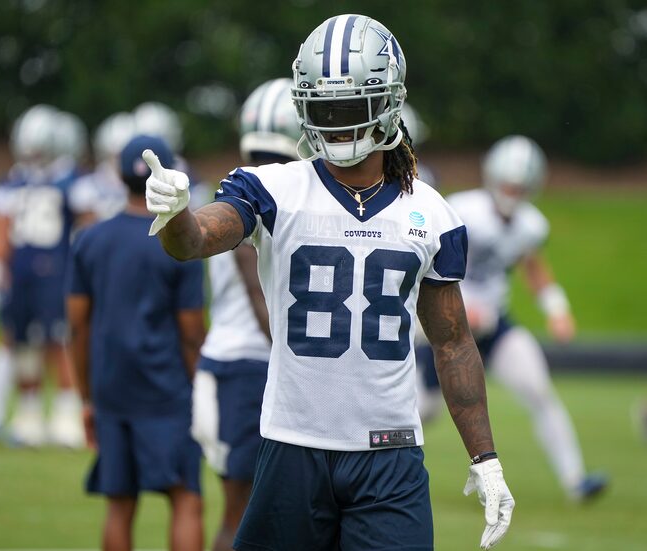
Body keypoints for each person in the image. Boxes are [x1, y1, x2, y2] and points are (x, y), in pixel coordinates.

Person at [144, 14, 514, 550]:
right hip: (293, 446)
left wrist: (486, 458)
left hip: (390, 453)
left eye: (351, 108)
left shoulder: (432, 213)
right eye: (323, 110)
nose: (337, 125)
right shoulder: (274, 188)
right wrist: (176, 213)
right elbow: (196, 240)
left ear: (388, 102)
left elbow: (453, 343)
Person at [416, 135, 608, 501]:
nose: (512, 191)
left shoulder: (530, 224)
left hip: (495, 323)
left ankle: (576, 481)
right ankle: (374, 474)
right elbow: (428, 257)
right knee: (423, 410)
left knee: (538, 389)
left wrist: (557, 309)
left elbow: (532, 266)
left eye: (520, 186)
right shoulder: (463, 209)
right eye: (508, 183)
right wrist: (454, 304)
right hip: (447, 322)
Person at [67, 134, 205, 551]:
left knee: (119, 504)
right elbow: (191, 330)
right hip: (166, 389)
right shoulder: (180, 241)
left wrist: (87, 396)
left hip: (111, 388)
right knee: (185, 498)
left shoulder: (89, 239)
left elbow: (76, 326)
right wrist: (201, 389)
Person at [190, 77, 298, 551]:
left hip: (232, 368)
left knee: (256, 518)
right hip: (249, 370)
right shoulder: (262, 197)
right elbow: (262, 305)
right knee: (245, 519)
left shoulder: (243, 187)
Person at [0, 104, 88, 448]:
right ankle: (28, 414)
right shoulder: (12, 181)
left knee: (62, 341)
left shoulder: (72, 180)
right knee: (23, 343)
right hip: (21, 275)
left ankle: (66, 413)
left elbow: (86, 225)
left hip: (58, 273)